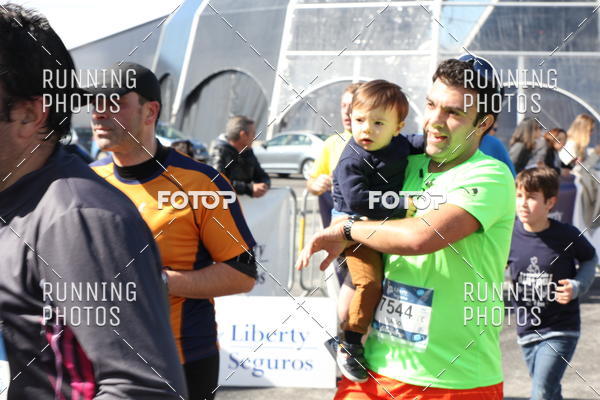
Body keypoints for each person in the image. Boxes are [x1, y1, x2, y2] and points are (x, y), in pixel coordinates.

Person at [297, 55, 514, 399]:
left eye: (453, 112)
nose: (434, 121)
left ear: (483, 123)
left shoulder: (490, 175)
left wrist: (348, 229)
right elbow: (350, 191)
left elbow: (420, 237)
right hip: (375, 367)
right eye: (431, 105)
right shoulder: (404, 162)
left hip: (453, 381)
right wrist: (344, 218)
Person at [0, 5, 187, 399]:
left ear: (30, 114)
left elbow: (145, 389)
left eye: (116, 104)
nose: (102, 115)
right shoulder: (20, 200)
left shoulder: (78, 218)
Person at [88, 63, 257, 400]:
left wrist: (158, 282)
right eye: (95, 103)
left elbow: (242, 274)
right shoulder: (86, 180)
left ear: (150, 112)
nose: (99, 113)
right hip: (103, 361)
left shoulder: (202, 183)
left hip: (180, 362)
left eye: (114, 102)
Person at [329, 79, 422, 383]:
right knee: (368, 283)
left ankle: (356, 335)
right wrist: (402, 205)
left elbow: (426, 143)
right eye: (359, 120)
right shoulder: (352, 159)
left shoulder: (400, 144)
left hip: (380, 226)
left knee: (380, 284)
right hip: (352, 228)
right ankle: (349, 344)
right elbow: (358, 200)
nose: (366, 129)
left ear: (398, 127)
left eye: (378, 123)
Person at [508, 167, 597, 400]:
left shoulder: (566, 235)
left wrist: (577, 286)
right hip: (527, 329)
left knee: (541, 392)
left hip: (561, 329)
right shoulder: (508, 234)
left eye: (531, 197)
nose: (523, 204)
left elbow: (590, 258)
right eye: (519, 195)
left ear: (550, 202)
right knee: (549, 391)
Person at [307, 83, 362, 228]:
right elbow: (312, 182)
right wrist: (316, 184)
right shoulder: (331, 143)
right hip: (337, 228)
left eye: (352, 106)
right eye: (343, 106)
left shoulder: (379, 142)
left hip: (370, 229)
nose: (346, 111)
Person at [210, 115, 271, 197]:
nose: (255, 138)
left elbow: (262, 176)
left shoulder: (248, 151)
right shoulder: (220, 152)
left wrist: (264, 185)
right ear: (243, 135)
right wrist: (248, 189)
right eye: (253, 134)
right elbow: (217, 181)